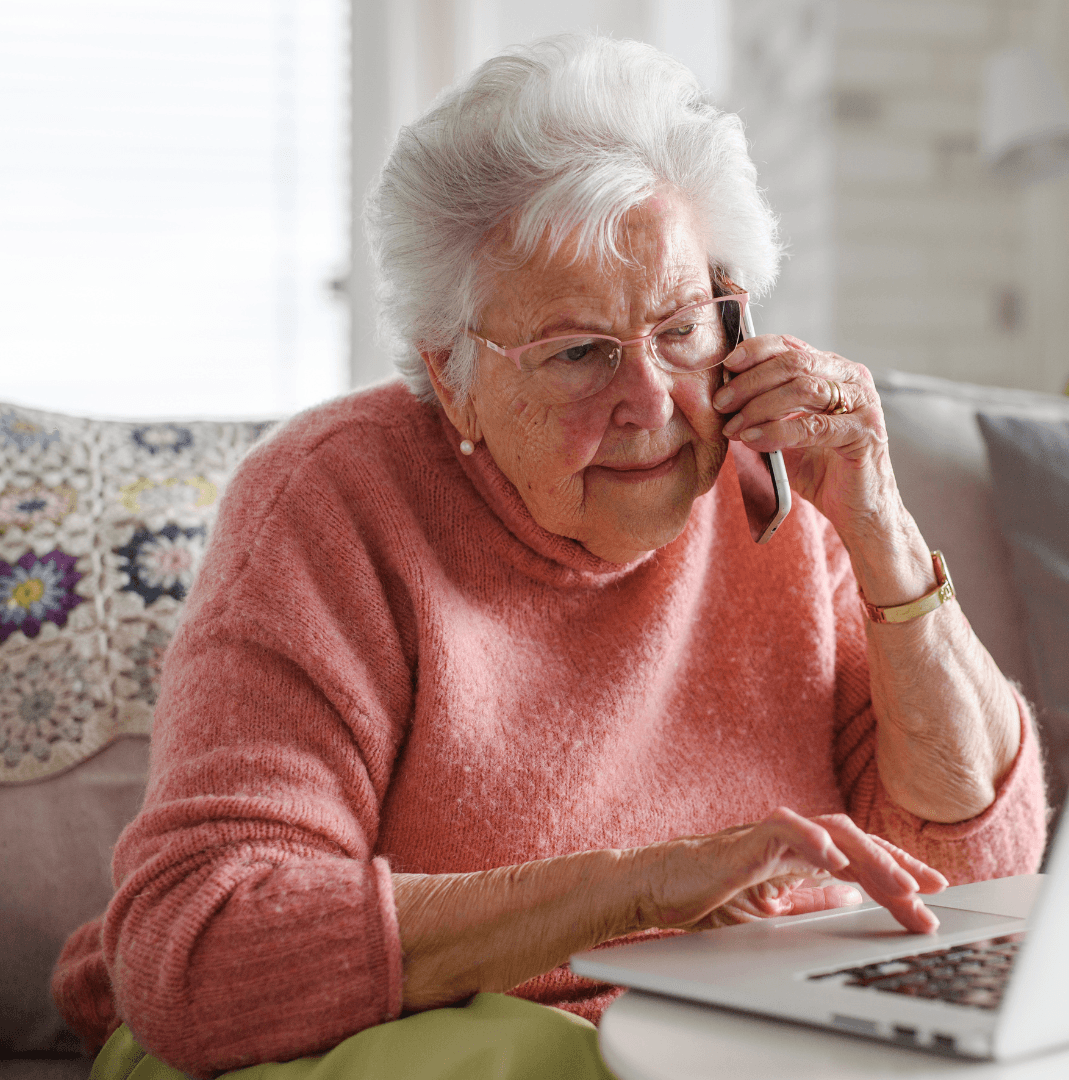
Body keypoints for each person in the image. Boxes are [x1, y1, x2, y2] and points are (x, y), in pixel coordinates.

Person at [54, 33, 1046, 1080]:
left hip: (722, 1032)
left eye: (681, 331)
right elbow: (207, 956)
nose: (652, 402)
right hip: (393, 1034)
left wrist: (880, 524)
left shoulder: (781, 490)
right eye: (578, 353)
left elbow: (971, 872)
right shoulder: (329, 504)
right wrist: (638, 887)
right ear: (454, 382)